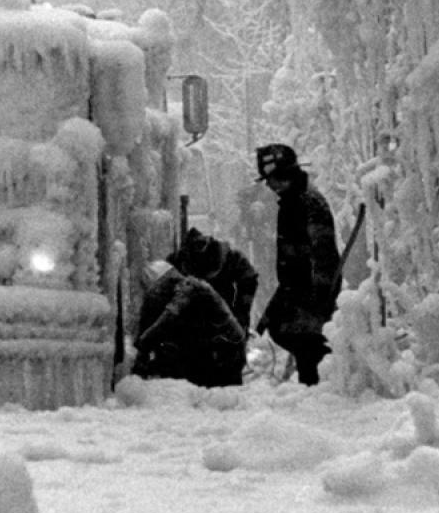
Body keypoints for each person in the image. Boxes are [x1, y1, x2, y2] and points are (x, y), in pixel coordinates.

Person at [253, 143, 341, 385]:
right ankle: (316, 386)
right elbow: (292, 264)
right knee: (285, 331)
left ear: (284, 175)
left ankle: (322, 386)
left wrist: (318, 299)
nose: (269, 185)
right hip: (297, 290)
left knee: (304, 341)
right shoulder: (292, 201)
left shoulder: (308, 203)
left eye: (271, 178)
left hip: (312, 292)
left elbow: (323, 256)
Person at [132, 261, 248, 388]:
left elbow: (167, 319)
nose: (155, 295)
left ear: (165, 281)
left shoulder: (190, 288)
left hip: (225, 351)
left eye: (155, 290)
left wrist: (144, 342)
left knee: (216, 394)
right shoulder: (179, 292)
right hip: (216, 349)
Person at [167, 227, 258, 335]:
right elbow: (162, 289)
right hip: (190, 318)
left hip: (222, 314)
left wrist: (240, 315)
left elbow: (249, 280)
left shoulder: (230, 257)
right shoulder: (178, 260)